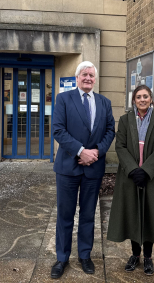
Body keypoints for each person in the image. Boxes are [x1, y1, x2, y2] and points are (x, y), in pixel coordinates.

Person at [51, 61, 115, 279]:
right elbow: (58, 130)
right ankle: (62, 258)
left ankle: (85, 255)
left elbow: (110, 130)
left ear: (95, 79)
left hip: (93, 168)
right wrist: (81, 152)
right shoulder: (63, 99)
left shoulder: (104, 102)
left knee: (88, 214)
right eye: (84, 74)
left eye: (91, 75)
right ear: (77, 77)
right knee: (65, 215)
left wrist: (96, 152)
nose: (88, 78)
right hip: (68, 168)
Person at [107, 85, 154, 276]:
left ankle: (149, 258)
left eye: (145, 96)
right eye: (138, 97)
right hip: (130, 177)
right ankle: (135, 255)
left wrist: (145, 170)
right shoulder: (126, 119)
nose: (142, 100)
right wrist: (133, 170)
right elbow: (120, 146)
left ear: (151, 99)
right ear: (134, 100)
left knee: (149, 215)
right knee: (133, 214)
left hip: (151, 177)